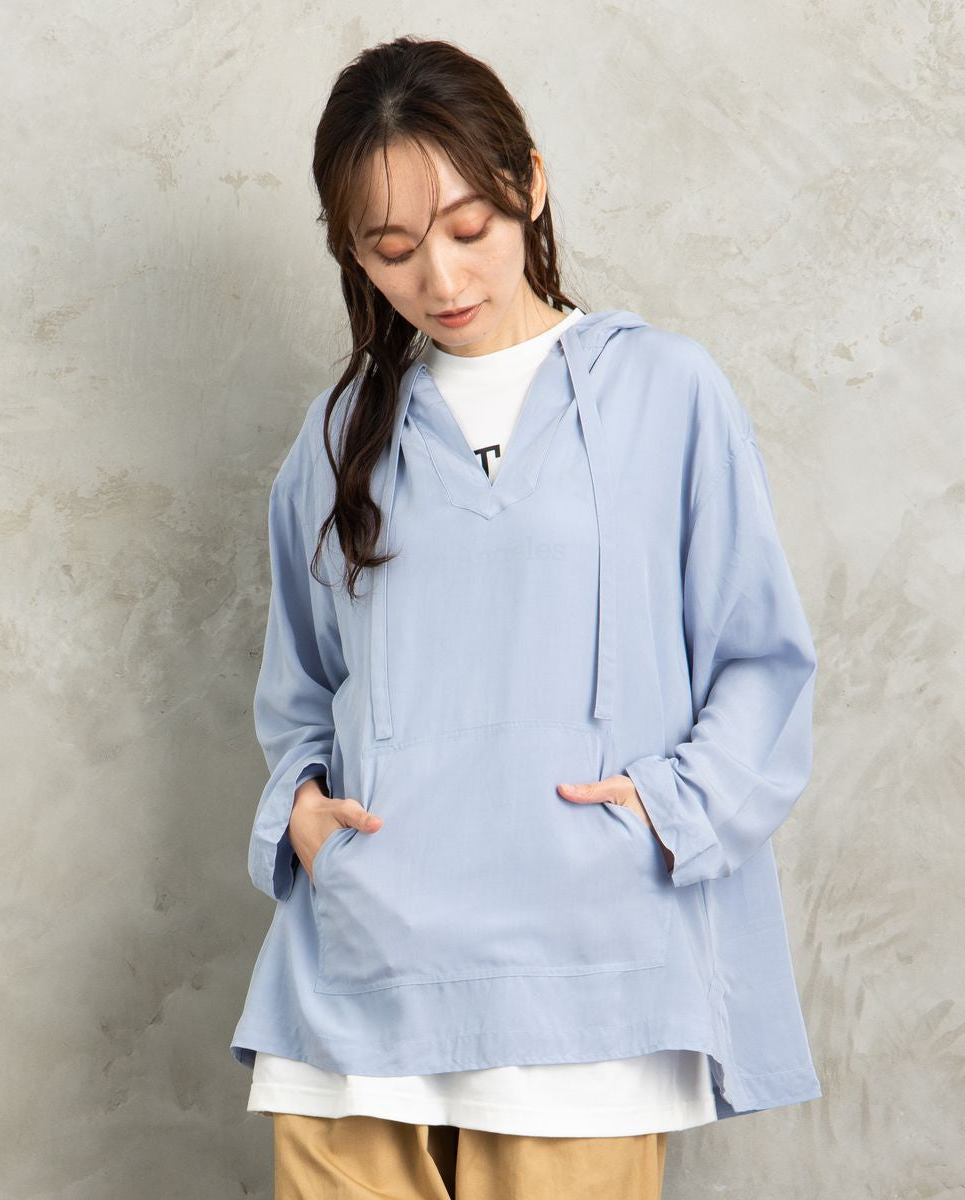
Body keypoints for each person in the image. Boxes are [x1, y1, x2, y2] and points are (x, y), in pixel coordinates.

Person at [230, 34, 822, 1200]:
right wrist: (300, 809)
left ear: (529, 185)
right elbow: (301, 682)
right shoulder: (340, 436)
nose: (440, 281)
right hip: (358, 977)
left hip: (586, 971)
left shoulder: (666, 392)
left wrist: (668, 810)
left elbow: (760, 661)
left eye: (468, 230)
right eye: (391, 250)